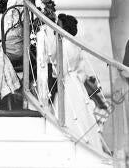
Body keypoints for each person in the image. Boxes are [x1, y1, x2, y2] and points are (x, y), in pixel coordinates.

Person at [48, 14, 106, 153]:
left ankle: (72, 146)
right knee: (81, 113)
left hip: (66, 81)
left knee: (68, 112)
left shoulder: (63, 45)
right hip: (76, 82)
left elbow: (59, 70)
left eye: (58, 24)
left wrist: (53, 70)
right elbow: (81, 67)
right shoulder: (75, 44)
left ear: (63, 28)